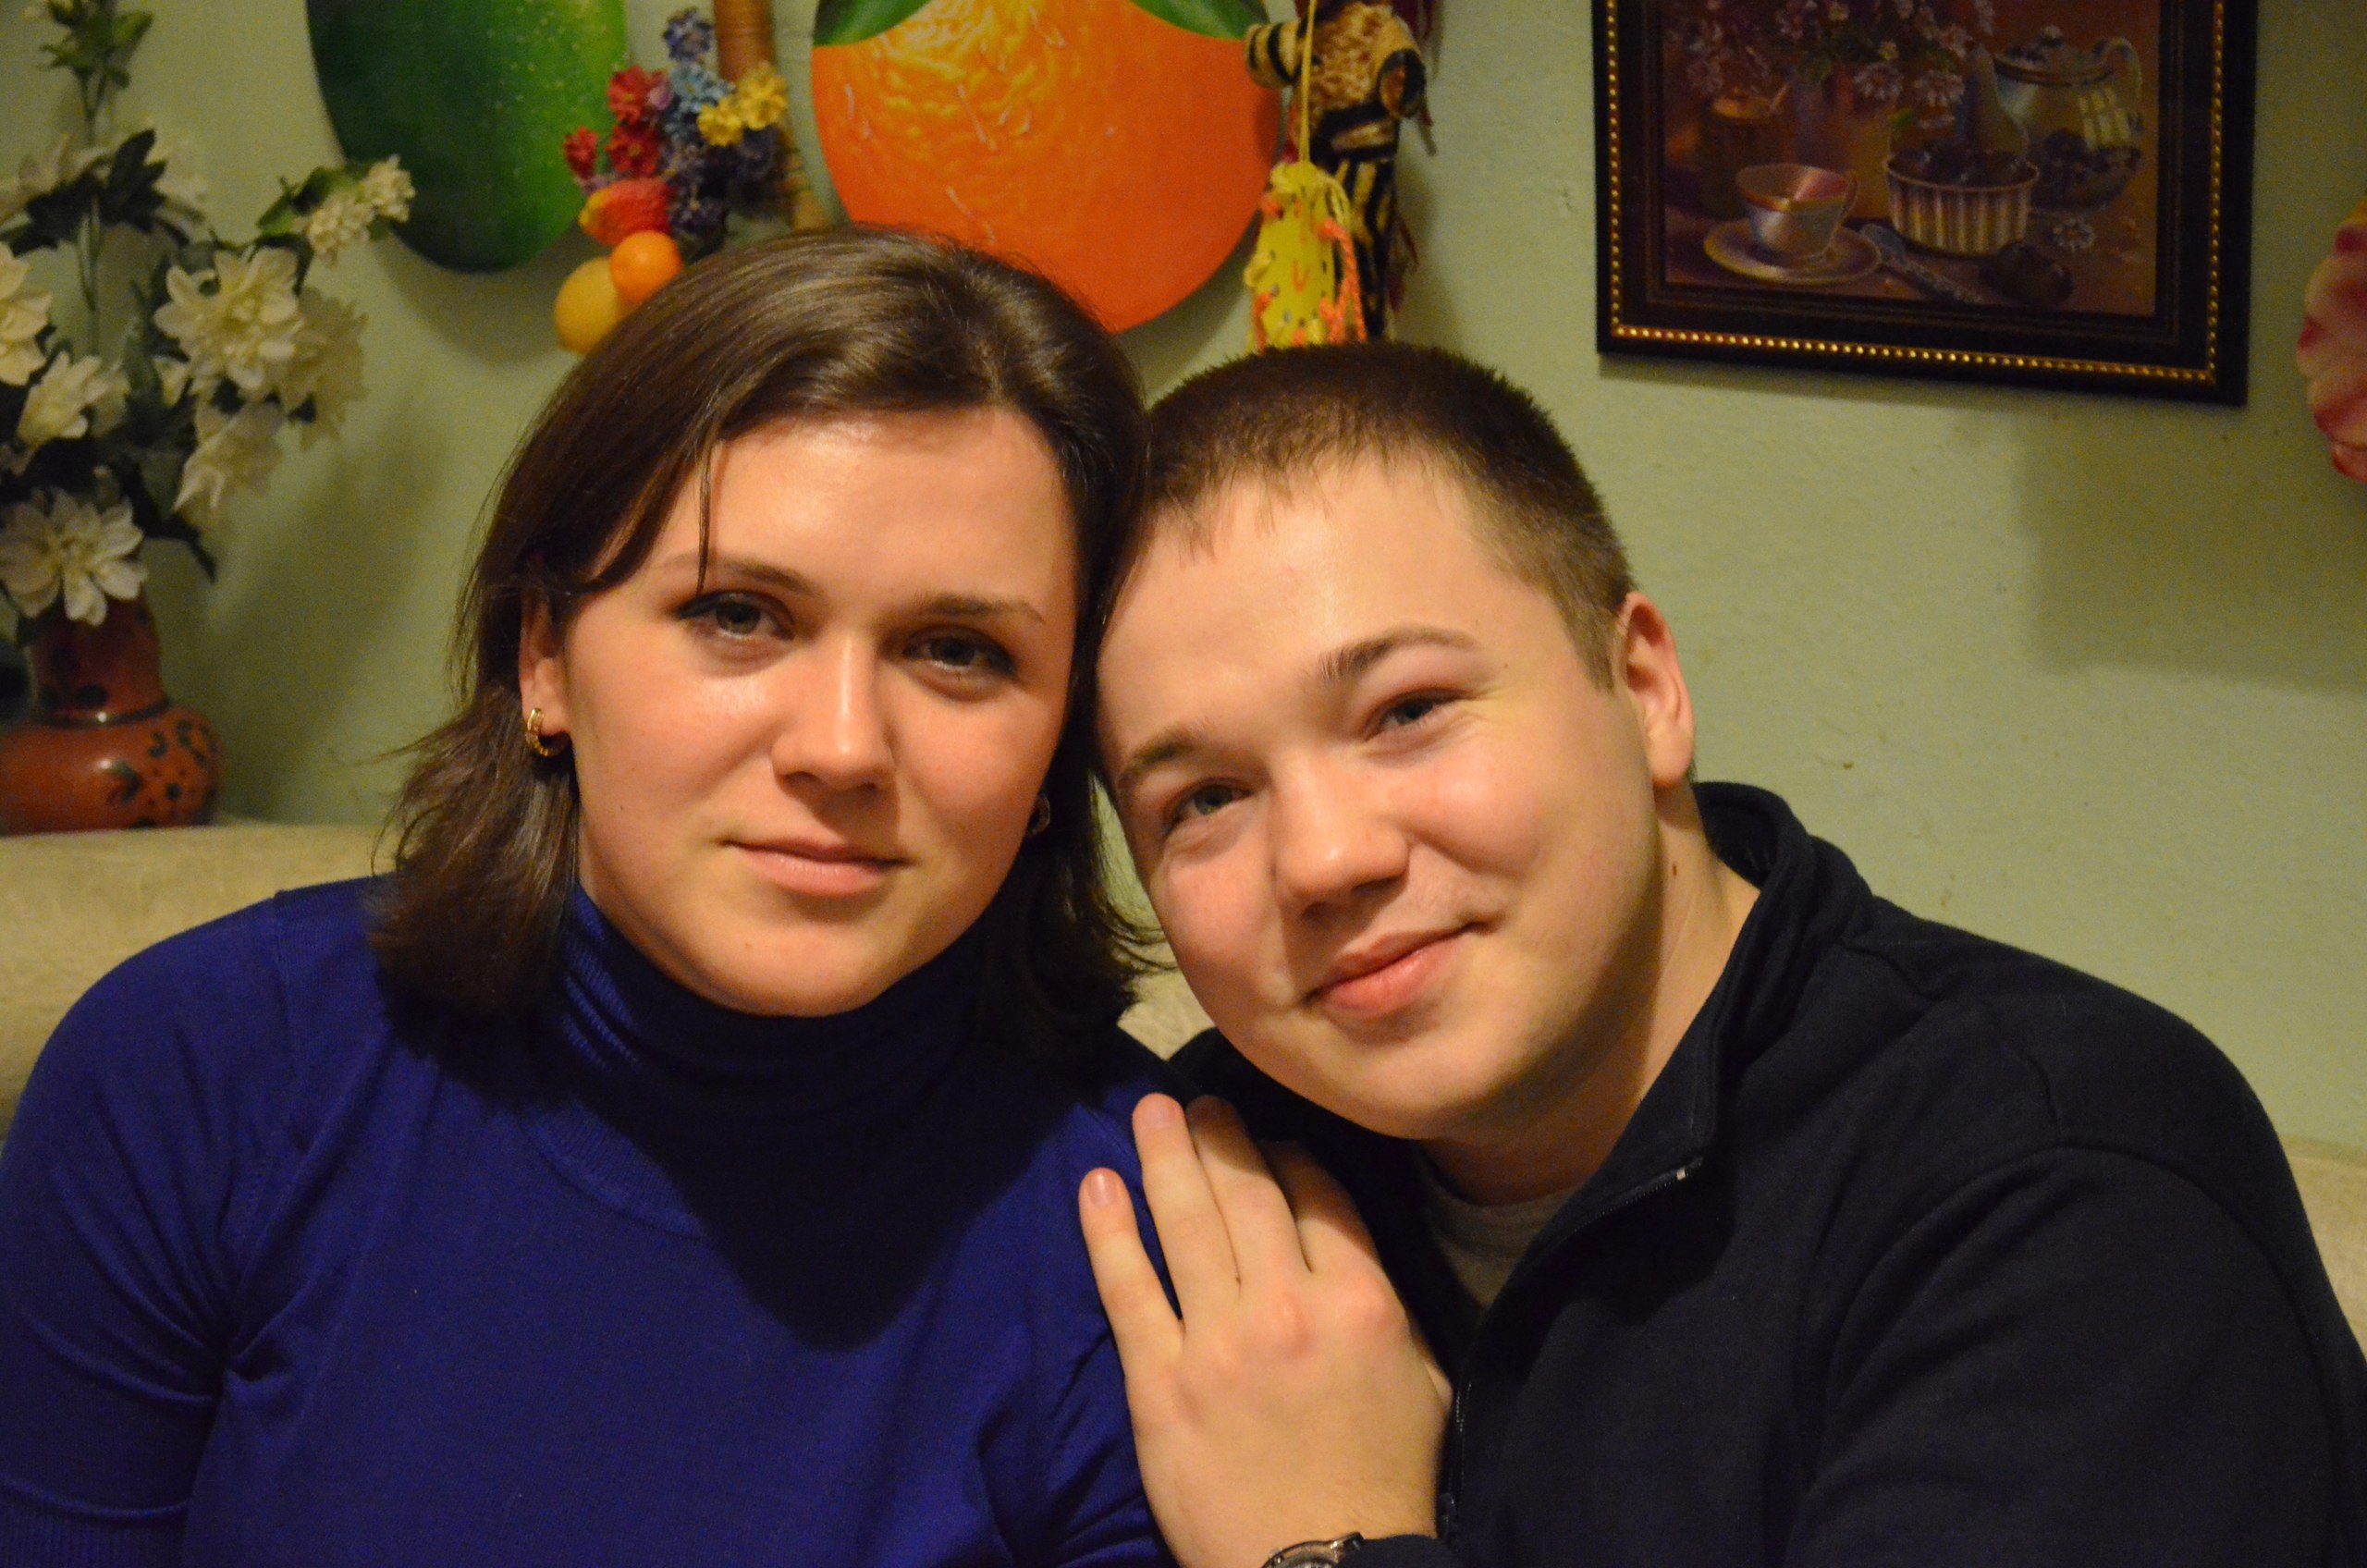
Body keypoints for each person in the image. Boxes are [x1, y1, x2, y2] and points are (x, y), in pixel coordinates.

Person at [1078, 341, 2367, 1568]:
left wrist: (1329, 1539)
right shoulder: (1181, 1187)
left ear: (1646, 689)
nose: (1321, 860)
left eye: (1407, 711)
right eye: (1204, 800)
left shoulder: (2067, 1191)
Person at [0, 229, 1173, 1564]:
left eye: (958, 650)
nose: (843, 747)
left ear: (1059, 741)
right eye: (739, 616)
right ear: (545, 657)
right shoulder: (196, 1075)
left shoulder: (1157, 1228)